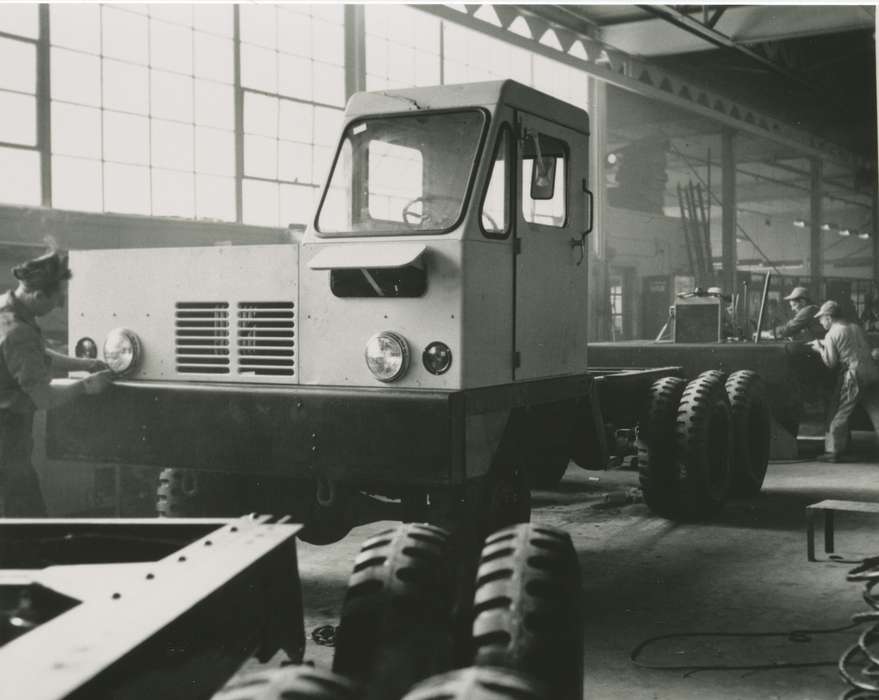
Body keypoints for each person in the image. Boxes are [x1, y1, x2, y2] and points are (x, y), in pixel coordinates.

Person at [0, 249, 114, 516]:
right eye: (58, 299)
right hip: (7, 436)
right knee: (27, 513)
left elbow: (35, 353)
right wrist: (86, 386)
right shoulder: (18, 331)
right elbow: (44, 398)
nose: (61, 305)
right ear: (39, 295)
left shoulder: (6, 308)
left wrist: (82, 364)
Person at [810, 300, 879, 462]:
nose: (820, 322)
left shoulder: (832, 334)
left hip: (854, 375)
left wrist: (820, 348)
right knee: (876, 411)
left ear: (829, 317)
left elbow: (831, 363)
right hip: (872, 372)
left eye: (821, 318)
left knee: (839, 411)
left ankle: (833, 452)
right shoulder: (856, 327)